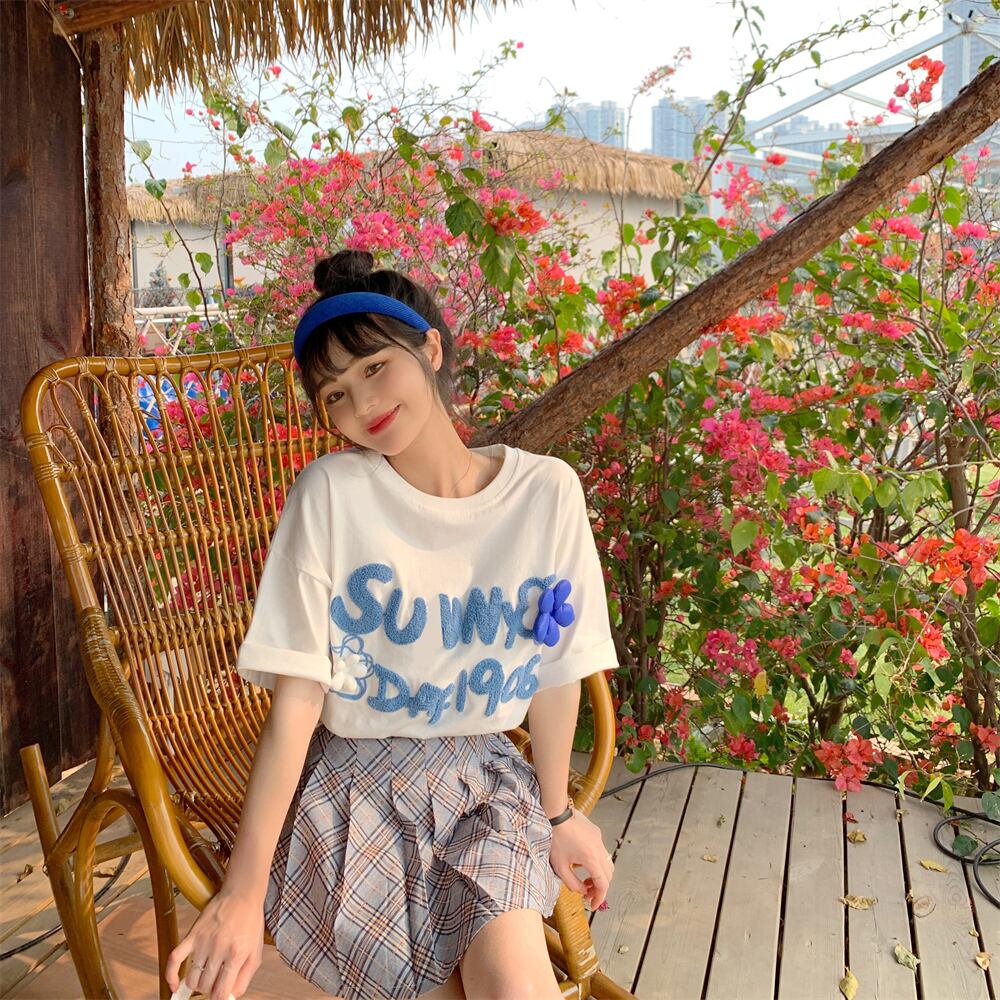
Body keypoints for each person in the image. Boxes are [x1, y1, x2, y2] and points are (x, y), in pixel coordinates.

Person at [165, 249, 620, 1000]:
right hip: (355, 792)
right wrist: (243, 891)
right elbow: (298, 699)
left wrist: (558, 811)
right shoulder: (331, 495)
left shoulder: (546, 493)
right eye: (336, 393)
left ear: (430, 350)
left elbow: (557, 667)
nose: (362, 403)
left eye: (376, 366)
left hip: (484, 784)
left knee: (516, 985)